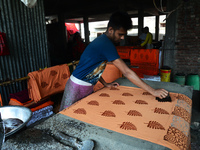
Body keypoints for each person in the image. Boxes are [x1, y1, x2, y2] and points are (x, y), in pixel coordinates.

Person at [59, 11, 168, 111]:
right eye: (120, 34)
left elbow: (92, 68)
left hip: (84, 86)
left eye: (123, 35)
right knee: (67, 117)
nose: (122, 38)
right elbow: (126, 72)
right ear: (111, 30)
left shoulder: (102, 41)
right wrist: (153, 91)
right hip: (77, 87)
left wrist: (105, 84)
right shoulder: (106, 44)